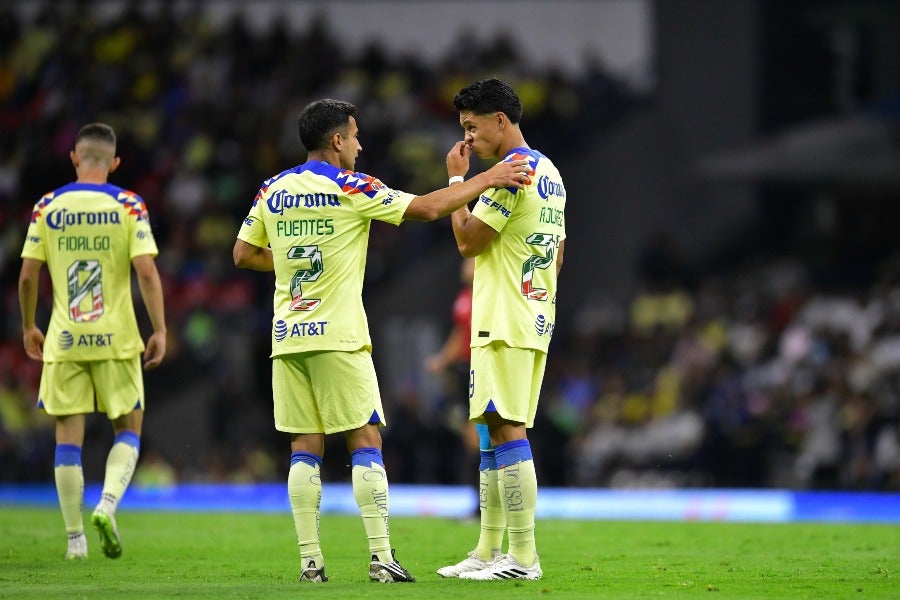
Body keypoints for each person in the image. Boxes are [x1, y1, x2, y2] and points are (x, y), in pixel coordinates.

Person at [232, 98, 530, 584]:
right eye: (354, 135)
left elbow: (243, 254)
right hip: (338, 335)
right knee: (365, 439)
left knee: (304, 446)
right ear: (336, 141)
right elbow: (428, 208)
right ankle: (381, 558)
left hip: (287, 335)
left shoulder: (273, 188)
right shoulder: (352, 186)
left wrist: (290, 258)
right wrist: (485, 179)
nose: (359, 144)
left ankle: (311, 564)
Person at [18, 123, 167, 561]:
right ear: (114, 162)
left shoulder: (47, 206)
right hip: (118, 339)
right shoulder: (128, 204)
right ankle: (106, 505)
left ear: (74, 158)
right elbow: (145, 271)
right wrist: (158, 328)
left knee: (68, 438)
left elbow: (27, 275)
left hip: (65, 338)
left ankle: (74, 542)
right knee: (129, 427)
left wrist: (29, 325)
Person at [438, 78, 566, 581]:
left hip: (505, 319)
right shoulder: (549, 171)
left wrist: (457, 181)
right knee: (493, 430)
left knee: (506, 427)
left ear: (500, 120)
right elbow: (558, 248)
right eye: (462, 131)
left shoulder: (509, 173)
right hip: (532, 312)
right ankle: (490, 550)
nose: (467, 141)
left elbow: (468, 242)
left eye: (471, 128)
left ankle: (523, 558)